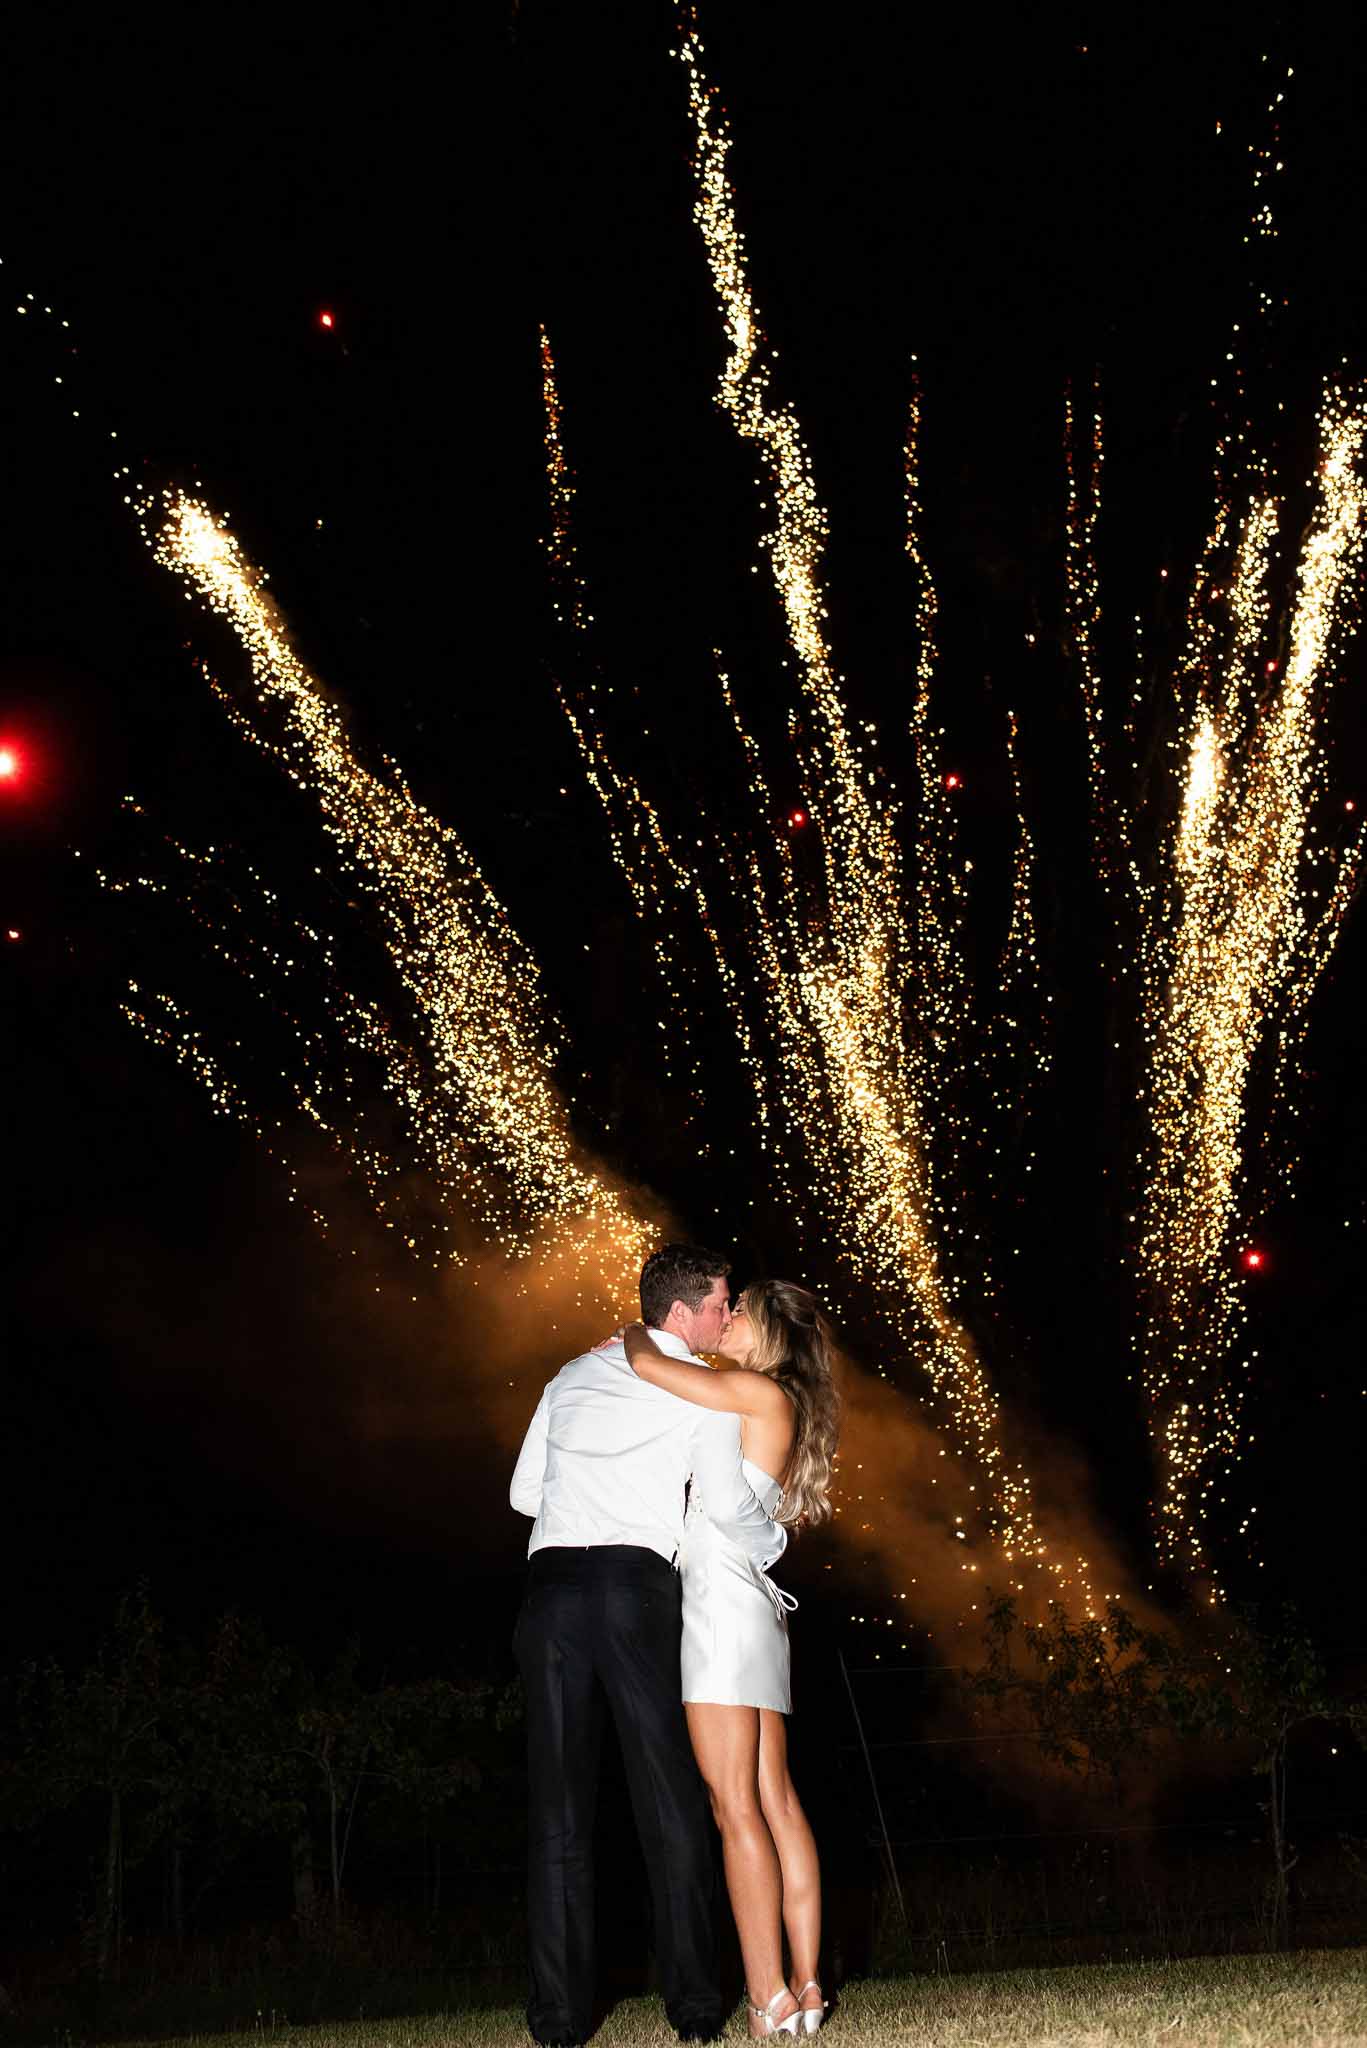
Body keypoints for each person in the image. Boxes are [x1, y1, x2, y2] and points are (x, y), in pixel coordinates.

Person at [509, 1244, 783, 2048]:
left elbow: (524, 1493)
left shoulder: (568, 1374)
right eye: (720, 1305)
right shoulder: (700, 1395)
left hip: (552, 1591)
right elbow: (724, 1499)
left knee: (557, 1812)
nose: (727, 1317)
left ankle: (558, 2024)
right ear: (681, 1314)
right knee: (667, 1797)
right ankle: (696, 2012)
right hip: (634, 1587)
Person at [620, 1278, 841, 2040]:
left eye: (738, 1308)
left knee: (733, 1806)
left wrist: (635, 1334)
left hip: (718, 1605)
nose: (727, 1317)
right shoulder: (773, 1397)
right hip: (753, 1606)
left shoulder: (744, 1387)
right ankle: (807, 1987)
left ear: (768, 1330)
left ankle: (765, 1994)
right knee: (775, 1801)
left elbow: (650, 1369)